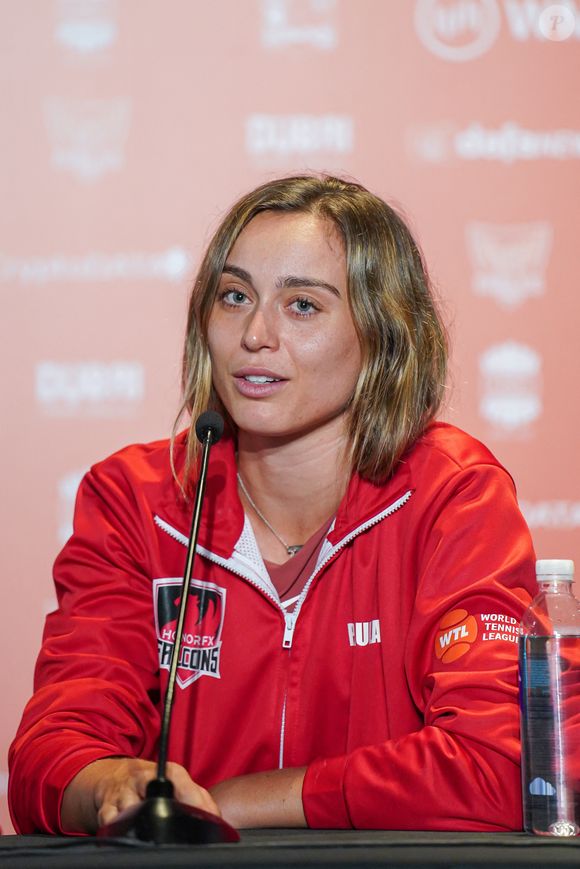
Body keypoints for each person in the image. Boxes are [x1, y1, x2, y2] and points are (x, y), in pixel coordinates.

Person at [9, 175, 536, 835]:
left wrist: (236, 805)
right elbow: (49, 753)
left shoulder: (452, 494)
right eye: (234, 297)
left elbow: (500, 768)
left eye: (303, 305)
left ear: (385, 330)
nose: (255, 334)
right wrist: (111, 786)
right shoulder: (136, 500)